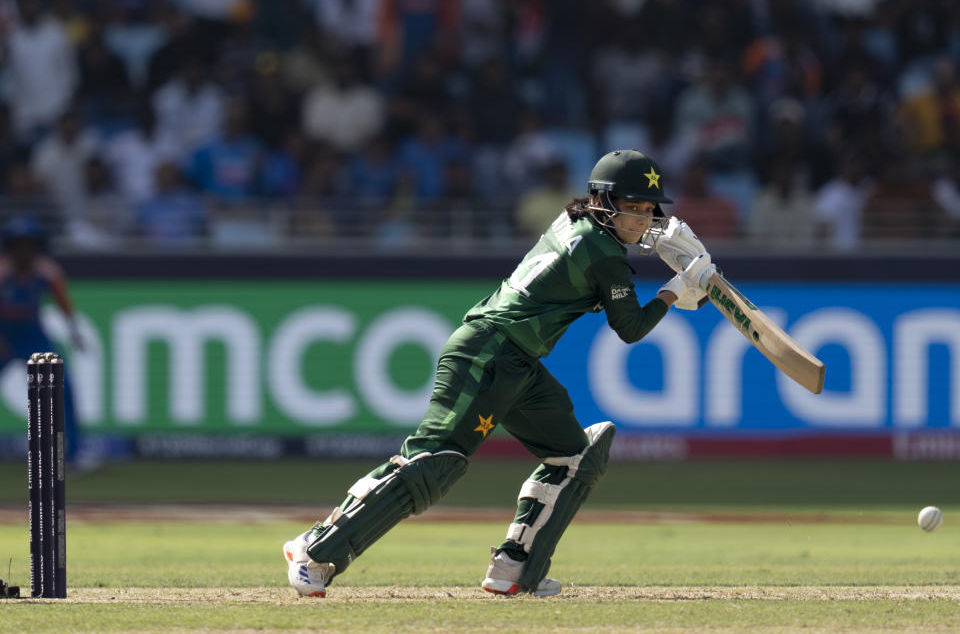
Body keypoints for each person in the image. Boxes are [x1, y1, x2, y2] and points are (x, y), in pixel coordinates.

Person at [282, 150, 716, 598]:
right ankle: (315, 549)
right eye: (633, 207)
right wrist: (674, 290)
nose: (642, 220)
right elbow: (630, 328)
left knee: (576, 456)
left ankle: (515, 568)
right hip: (488, 354)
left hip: (517, 363)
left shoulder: (574, 223)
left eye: (648, 211)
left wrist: (684, 288)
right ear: (604, 200)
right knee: (435, 463)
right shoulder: (604, 251)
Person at [0, 217, 85, 463]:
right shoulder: (3, 271)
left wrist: (75, 333)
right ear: (10, 247)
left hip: (32, 336)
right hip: (3, 336)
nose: (24, 252)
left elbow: (64, 304)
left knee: (62, 386)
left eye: (29, 245)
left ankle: (74, 454)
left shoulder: (47, 271)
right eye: (18, 245)